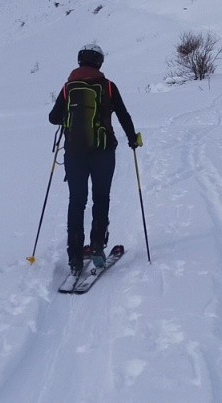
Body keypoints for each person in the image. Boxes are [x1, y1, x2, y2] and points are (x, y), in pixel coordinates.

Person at [48, 43, 140, 276]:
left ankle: (75, 257)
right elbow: (123, 114)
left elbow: (53, 118)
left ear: (80, 61)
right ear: (99, 62)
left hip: (74, 153)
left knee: (76, 202)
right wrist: (132, 139)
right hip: (103, 151)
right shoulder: (108, 86)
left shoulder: (69, 87)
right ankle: (98, 246)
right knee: (101, 198)